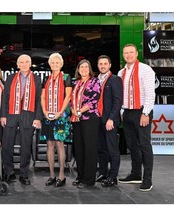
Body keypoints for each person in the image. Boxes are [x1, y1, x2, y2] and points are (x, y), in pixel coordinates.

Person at [117, 44, 155, 192]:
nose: (128, 55)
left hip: (141, 111)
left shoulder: (146, 69)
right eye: (126, 53)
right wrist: (121, 112)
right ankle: (136, 174)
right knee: (132, 145)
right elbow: (121, 95)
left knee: (144, 145)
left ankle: (147, 179)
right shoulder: (121, 73)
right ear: (123, 55)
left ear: (136, 53)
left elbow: (150, 93)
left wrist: (145, 113)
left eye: (131, 52)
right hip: (127, 112)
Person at [0, 54, 42, 185]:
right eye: (21, 62)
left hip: (28, 115)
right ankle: (9, 172)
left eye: (26, 62)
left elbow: (39, 99)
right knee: (7, 145)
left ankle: (24, 174)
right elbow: (4, 97)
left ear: (30, 64)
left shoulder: (36, 78)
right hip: (11, 115)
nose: (24, 64)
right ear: (17, 65)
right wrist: (3, 115)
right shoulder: (11, 78)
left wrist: (38, 118)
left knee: (26, 146)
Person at [40, 53, 72, 187]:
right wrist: (45, 111)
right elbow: (42, 97)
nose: (55, 64)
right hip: (48, 117)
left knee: (59, 144)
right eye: (52, 62)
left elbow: (68, 96)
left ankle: (61, 176)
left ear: (61, 64)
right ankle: (52, 175)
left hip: (61, 117)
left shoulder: (66, 77)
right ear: (49, 64)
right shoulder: (46, 78)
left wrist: (60, 112)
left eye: (57, 62)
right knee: (49, 145)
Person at [70, 59, 100, 188]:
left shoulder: (95, 81)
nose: (83, 69)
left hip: (90, 119)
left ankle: (88, 180)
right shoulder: (75, 83)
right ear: (78, 69)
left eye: (86, 67)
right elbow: (71, 100)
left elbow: (94, 99)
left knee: (90, 149)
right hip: (77, 120)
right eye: (81, 67)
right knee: (79, 149)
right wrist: (73, 111)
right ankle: (80, 176)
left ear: (90, 69)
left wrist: (79, 111)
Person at [96, 55, 123, 187]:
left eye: (105, 63)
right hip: (99, 120)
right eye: (100, 64)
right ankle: (103, 173)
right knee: (102, 149)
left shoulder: (115, 79)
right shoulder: (96, 80)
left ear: (110, 65)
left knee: (112, 149)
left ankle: (113, 177)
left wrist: (111, 118)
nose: (102, 66)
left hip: (109, 121)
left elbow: (118, 101)